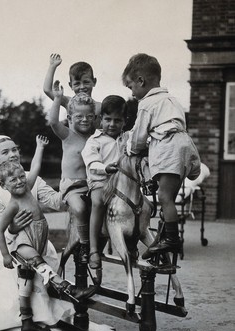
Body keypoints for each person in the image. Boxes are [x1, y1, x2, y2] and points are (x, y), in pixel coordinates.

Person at [0, 135, 81, 331]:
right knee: (22, 276)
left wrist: (68, 191)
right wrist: (12, 229)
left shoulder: (27, 178)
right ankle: (26, 317)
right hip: (10, 244)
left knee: (32, 275)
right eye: (5, 152)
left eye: (14, 149)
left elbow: (55, 201)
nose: (12, 154)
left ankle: (38, 316)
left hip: (36, 238)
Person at [0, 136, 94, 331]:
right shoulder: (13, 204)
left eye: (21, 177)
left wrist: (40, 147)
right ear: (3, 185)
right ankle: (68, 288)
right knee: (38, 263)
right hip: (23, 242)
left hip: (38, 238)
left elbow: (36, 166)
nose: (19, 182)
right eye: (13, 180)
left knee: (26, 280)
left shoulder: (29, 187)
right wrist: (6, 255)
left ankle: (27, 323)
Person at [122, 53, 201, 255]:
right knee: (170, 197)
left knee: (164, 196)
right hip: (184, 145)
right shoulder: (172, 99)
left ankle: (172, 240)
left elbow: (139, 136)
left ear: (141, 81)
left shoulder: (146, 104)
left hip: (169, 148)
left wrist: (131, 149)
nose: (132, 93)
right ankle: (164, 235)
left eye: (131, 87)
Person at [48, 81, 96, 263]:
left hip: (90, 185)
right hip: (72, 186)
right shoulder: (68, 136)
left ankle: (99, 242)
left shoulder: (94, 137)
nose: (84, 120)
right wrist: (58, 98)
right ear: (69, 117)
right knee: (80, 208)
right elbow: (52, 121)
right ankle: (84, 244)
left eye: (89, 116)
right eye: (79, 116)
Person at [81, 95, 129, 269]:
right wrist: (105, 168)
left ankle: (132, 242)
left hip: (122, 184)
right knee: (99, 202)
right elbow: (91, 162)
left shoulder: (127, 139)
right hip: (100, 181)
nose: (112, 124)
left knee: (138, 203)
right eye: (108, 119)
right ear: (101, 119)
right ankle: (93, 249)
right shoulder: (94, 141)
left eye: (117, 120)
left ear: (125, 121)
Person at [43, 53, 101, 127]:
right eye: (77, 84)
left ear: (94, 82)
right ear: (71, 85)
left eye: (86, 82)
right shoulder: (69, 102)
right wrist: (52, 66)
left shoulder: (100, 107)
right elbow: (47, 90)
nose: (82, 87)